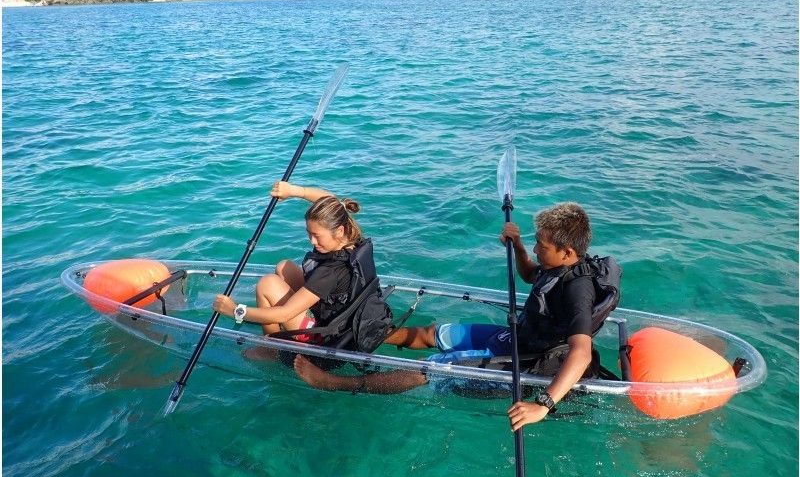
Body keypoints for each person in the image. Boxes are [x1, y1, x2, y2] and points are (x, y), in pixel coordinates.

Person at [293, 202, 617, 431]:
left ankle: (336, 383)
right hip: (518, 336)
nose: (535, 250)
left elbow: (581, 352)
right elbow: (533, 275)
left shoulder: (579, 290)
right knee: (435, 333)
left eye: (540, 246)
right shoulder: (558, 265)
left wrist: (542, 405)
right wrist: (517, 246)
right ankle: (364, 335)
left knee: (435, 368)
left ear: (569, 252)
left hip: (530, 359)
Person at [213, 181, 392, 367]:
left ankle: (272, 349)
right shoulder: (353, 241)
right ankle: (280, 336)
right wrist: (294, 191)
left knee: (267, 284)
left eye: (317, 235)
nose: (312, 241)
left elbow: (284, 314)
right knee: (284, 266)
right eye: (309, 234)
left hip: (326, 340)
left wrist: (235, 310)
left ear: (339, 230)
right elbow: (331, 202)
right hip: (344, 323)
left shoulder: (330, 271)